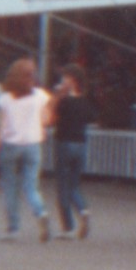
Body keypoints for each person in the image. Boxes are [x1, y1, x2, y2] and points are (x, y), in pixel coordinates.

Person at [0, 58, 53, 243]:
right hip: (33, 144)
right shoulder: (40, 95)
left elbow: (1, 128)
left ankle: (13, 228)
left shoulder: (5, 99)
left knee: (10, 187)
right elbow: (47, 120)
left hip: (11, 145)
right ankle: (41, 213)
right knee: (31, 186)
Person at [50, 64, 95, 240]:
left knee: (62, 185)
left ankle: (67, 227)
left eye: (65, 77)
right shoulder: (85, 101)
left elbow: (51, 113)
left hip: (64, 142)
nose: (62, 80)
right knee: (74, 184)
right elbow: (91, 118)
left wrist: (58, 94)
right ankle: (83, 210)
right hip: (81, 144)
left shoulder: (64, 101)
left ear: (72, 80)